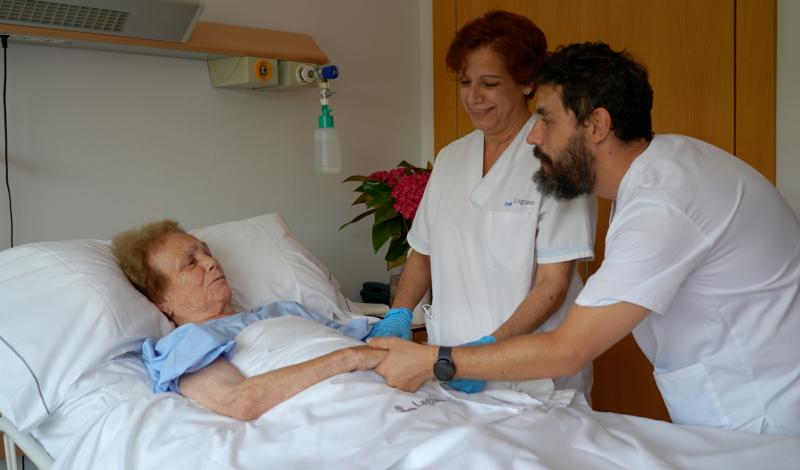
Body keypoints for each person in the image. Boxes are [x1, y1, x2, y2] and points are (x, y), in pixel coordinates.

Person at [370, 42, 800, 436]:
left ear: (596, 124)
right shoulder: (664, 170)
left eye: (547, 120)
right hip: (732, 398)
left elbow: (568, 348)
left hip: (764, 411)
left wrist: (438, 360)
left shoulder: (665, 204)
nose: (534, 137)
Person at [368, 10, 597, 396]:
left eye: (489, 83)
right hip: (446, 368)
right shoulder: (451, 158)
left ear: (526, 83)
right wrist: (399, 313)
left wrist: (487, 351)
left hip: (530, 373)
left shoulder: (559, 158)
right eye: (465, 81)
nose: (473, 97)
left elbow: (552, 285)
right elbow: (422, 253)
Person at [112, 220, 386, 421]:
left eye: (206, 252)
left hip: (388, 390)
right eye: (191, 262)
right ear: (161, 300)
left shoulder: (284, 310)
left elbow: (367, 343)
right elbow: (238, 401)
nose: (211, 262)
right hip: (338, 411)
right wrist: (347, 359)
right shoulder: (185, 342)